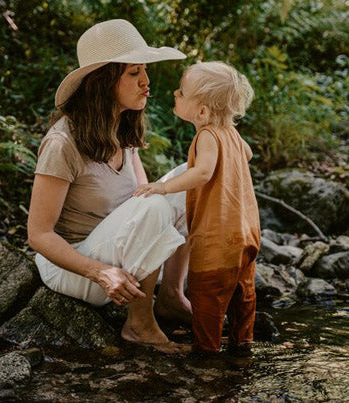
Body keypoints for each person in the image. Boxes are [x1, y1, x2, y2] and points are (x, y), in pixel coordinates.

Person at [27, 19, 191, 354]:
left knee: (192, 176)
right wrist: (101, 273)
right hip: (75, 270)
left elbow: (141, 198)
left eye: (144, 70)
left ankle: (171, 296)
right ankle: (139, 325)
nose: (146, 82)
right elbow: (38, 234)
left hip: (118, 254)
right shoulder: (62, 143)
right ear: (103, 82)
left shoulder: (121, 129)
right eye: (134, 73)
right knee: (158, 201)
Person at [135, 61, 261, 354]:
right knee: (243, 295)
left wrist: (164, 187)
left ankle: (207, 353)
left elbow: (202, 173)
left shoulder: (206, 136)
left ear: (202, 112)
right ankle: (243, 345)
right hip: (246, 234)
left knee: (208, 299)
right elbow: (248, 154)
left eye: (181, 92)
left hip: (216, 239)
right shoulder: (231, 133)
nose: (175, 94)